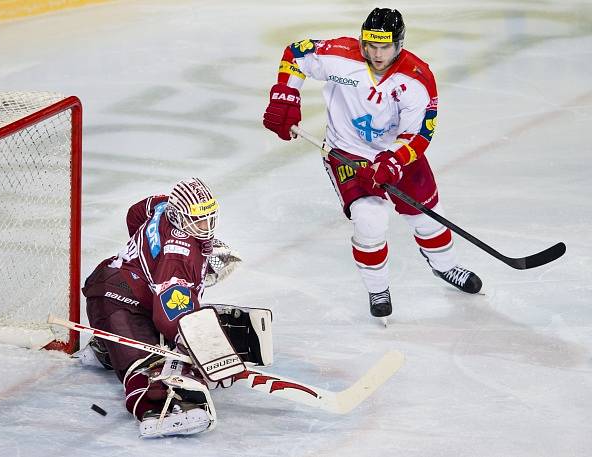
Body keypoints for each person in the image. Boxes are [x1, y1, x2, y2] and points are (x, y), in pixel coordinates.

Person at [263, 8, 482, 320]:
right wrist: (285, 94)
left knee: (429, 218)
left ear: (399, 44)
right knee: (369, 220)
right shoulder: (341, 57)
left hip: (397, 154)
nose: (377, 55)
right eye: (371, 46)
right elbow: (296, 54)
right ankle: (377, 288)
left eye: (385, 47)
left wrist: (393, 160)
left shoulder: (417, 79)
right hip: (347, 153)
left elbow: (419, 134)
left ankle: (445, 267)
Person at [79, 177, 270, 438]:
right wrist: (199, 350)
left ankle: (107, 348)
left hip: (122, 285)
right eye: (197, 220)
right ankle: (158, 413)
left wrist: (146, 255)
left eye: (208, 218)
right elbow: (170, 315)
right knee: (150, 366)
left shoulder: (162, 205)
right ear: (180, 215)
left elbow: (135, 214)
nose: (205, 227)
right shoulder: (179, 256)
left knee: (171, 337)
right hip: (116, 301)